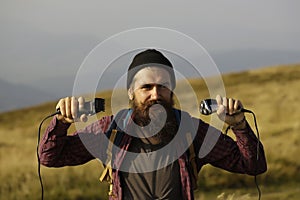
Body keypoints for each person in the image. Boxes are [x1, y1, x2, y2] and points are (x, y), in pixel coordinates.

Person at [39, 49, 267, 200]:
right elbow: (49, 158)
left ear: (171, 90)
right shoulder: (111, 130)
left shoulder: (191, 130)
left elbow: (253, 165)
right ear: (131, 92)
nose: (155, 94)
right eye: (146, 87)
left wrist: (239, 125)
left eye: (163, 86)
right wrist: (61, 122)